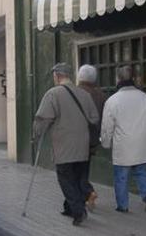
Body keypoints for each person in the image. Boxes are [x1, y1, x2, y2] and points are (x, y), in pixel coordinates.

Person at [33, 63, 100, 226]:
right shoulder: (84, 94)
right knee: (77, 178)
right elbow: (94, 118)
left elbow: (42, 119)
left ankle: (78, 211)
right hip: (82, 146)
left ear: (57, 75)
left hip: (63, 146)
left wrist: (36, 134)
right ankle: (69, 208)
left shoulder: (53, 94)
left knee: (66, 180)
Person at [100, 65, 146, 213]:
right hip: (142, 144)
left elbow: (107, 126)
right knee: (142, 172)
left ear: (118, 79)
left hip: (123, 146)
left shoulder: (112, 100)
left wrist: (106, 143)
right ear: (133, 79)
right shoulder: (145, 98)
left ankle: (122, 206)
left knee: (121, 177)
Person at [77, 64, 106, 210]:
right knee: (84, 168)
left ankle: (88, 192)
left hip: (76, 138)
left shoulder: (76, 92)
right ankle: (87, 196)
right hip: (93, 139)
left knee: (74, 171)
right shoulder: (100, 94)